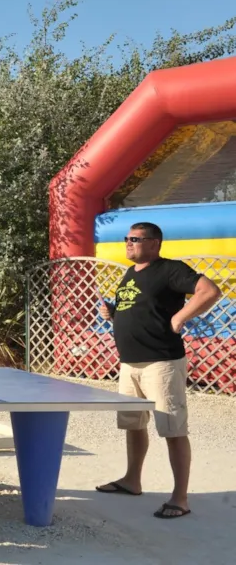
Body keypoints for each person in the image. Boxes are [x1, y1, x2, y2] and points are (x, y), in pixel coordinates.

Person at [96, 222, 221, 519]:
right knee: (133, 424)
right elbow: (141, 308)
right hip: (130, 363)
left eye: (135, 239)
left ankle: (180, 499)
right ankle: (132, 480)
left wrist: (180, 318)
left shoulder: (170, 270)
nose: (128, 243)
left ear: (154, 244)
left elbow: (209, 291)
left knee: (172, 428)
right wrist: (113, 314)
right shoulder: (130, 274)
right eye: (127, 239)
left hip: (161, 362)